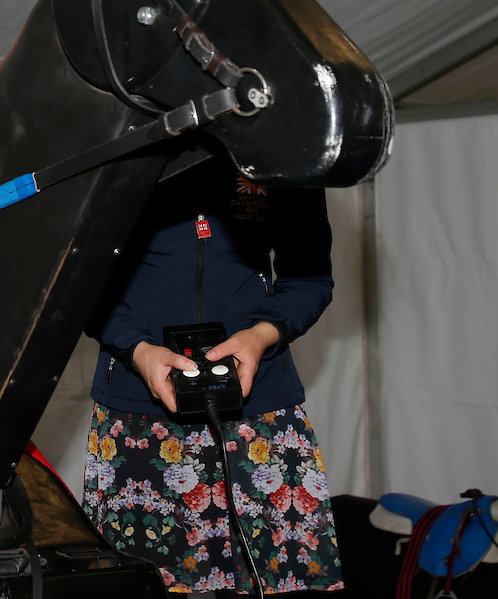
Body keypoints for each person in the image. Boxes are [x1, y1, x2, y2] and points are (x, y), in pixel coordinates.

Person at [83, 145, 344, 594]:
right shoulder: (115, 141)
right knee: (143, 586)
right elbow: (78, 281)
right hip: (138, 420)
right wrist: (136, 348)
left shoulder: (283, 143)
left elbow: (311, 278)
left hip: (260, 417)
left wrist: (263, 334)